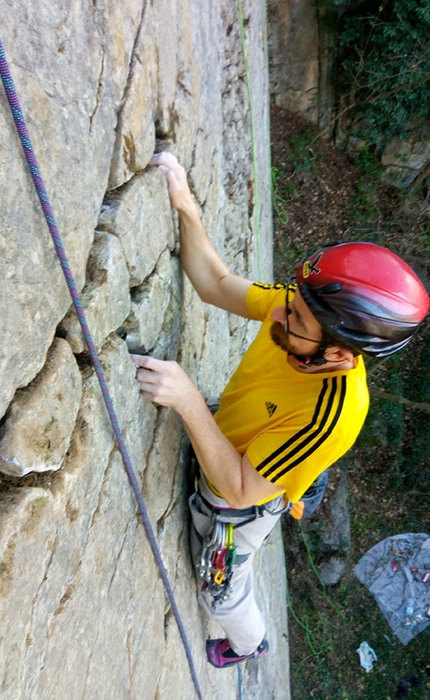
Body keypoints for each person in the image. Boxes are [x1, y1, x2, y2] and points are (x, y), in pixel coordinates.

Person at [133, 151, 429, 669]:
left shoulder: (334, 414)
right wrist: (186, 206)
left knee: (218, 593)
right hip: (252, 439)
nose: (277, 309)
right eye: (292, 300)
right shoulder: (305, 308)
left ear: (338, 354)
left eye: (293, 316)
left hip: (245, 497)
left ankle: (249, 645)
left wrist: (186, 401)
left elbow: (241, 488)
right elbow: (217, 285)